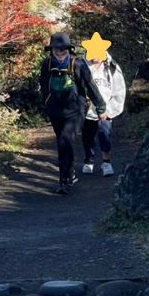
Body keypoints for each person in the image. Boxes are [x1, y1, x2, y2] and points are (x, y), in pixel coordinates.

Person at [38, 31, 106, 191]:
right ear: (52, 50)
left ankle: (64, 180)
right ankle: (69, 174)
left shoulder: (79, 64)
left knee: (65, 140)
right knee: (62, 143)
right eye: (57, 50)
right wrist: (44, 104)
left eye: (63, 50)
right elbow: (43, 87)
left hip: (76, 110)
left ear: (68, 50)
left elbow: (90, 87)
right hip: (55, 110)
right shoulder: (46, 65)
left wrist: (100, 107)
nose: (60, 53)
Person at [81, 49, 127, 177]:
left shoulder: (112, 68)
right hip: (86, 110)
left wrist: (111, 110)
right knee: (87, 136)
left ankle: (106, 161)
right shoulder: (81, 65)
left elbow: (119, 90)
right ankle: (89, 160)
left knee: (104, 134)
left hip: (106, 110)